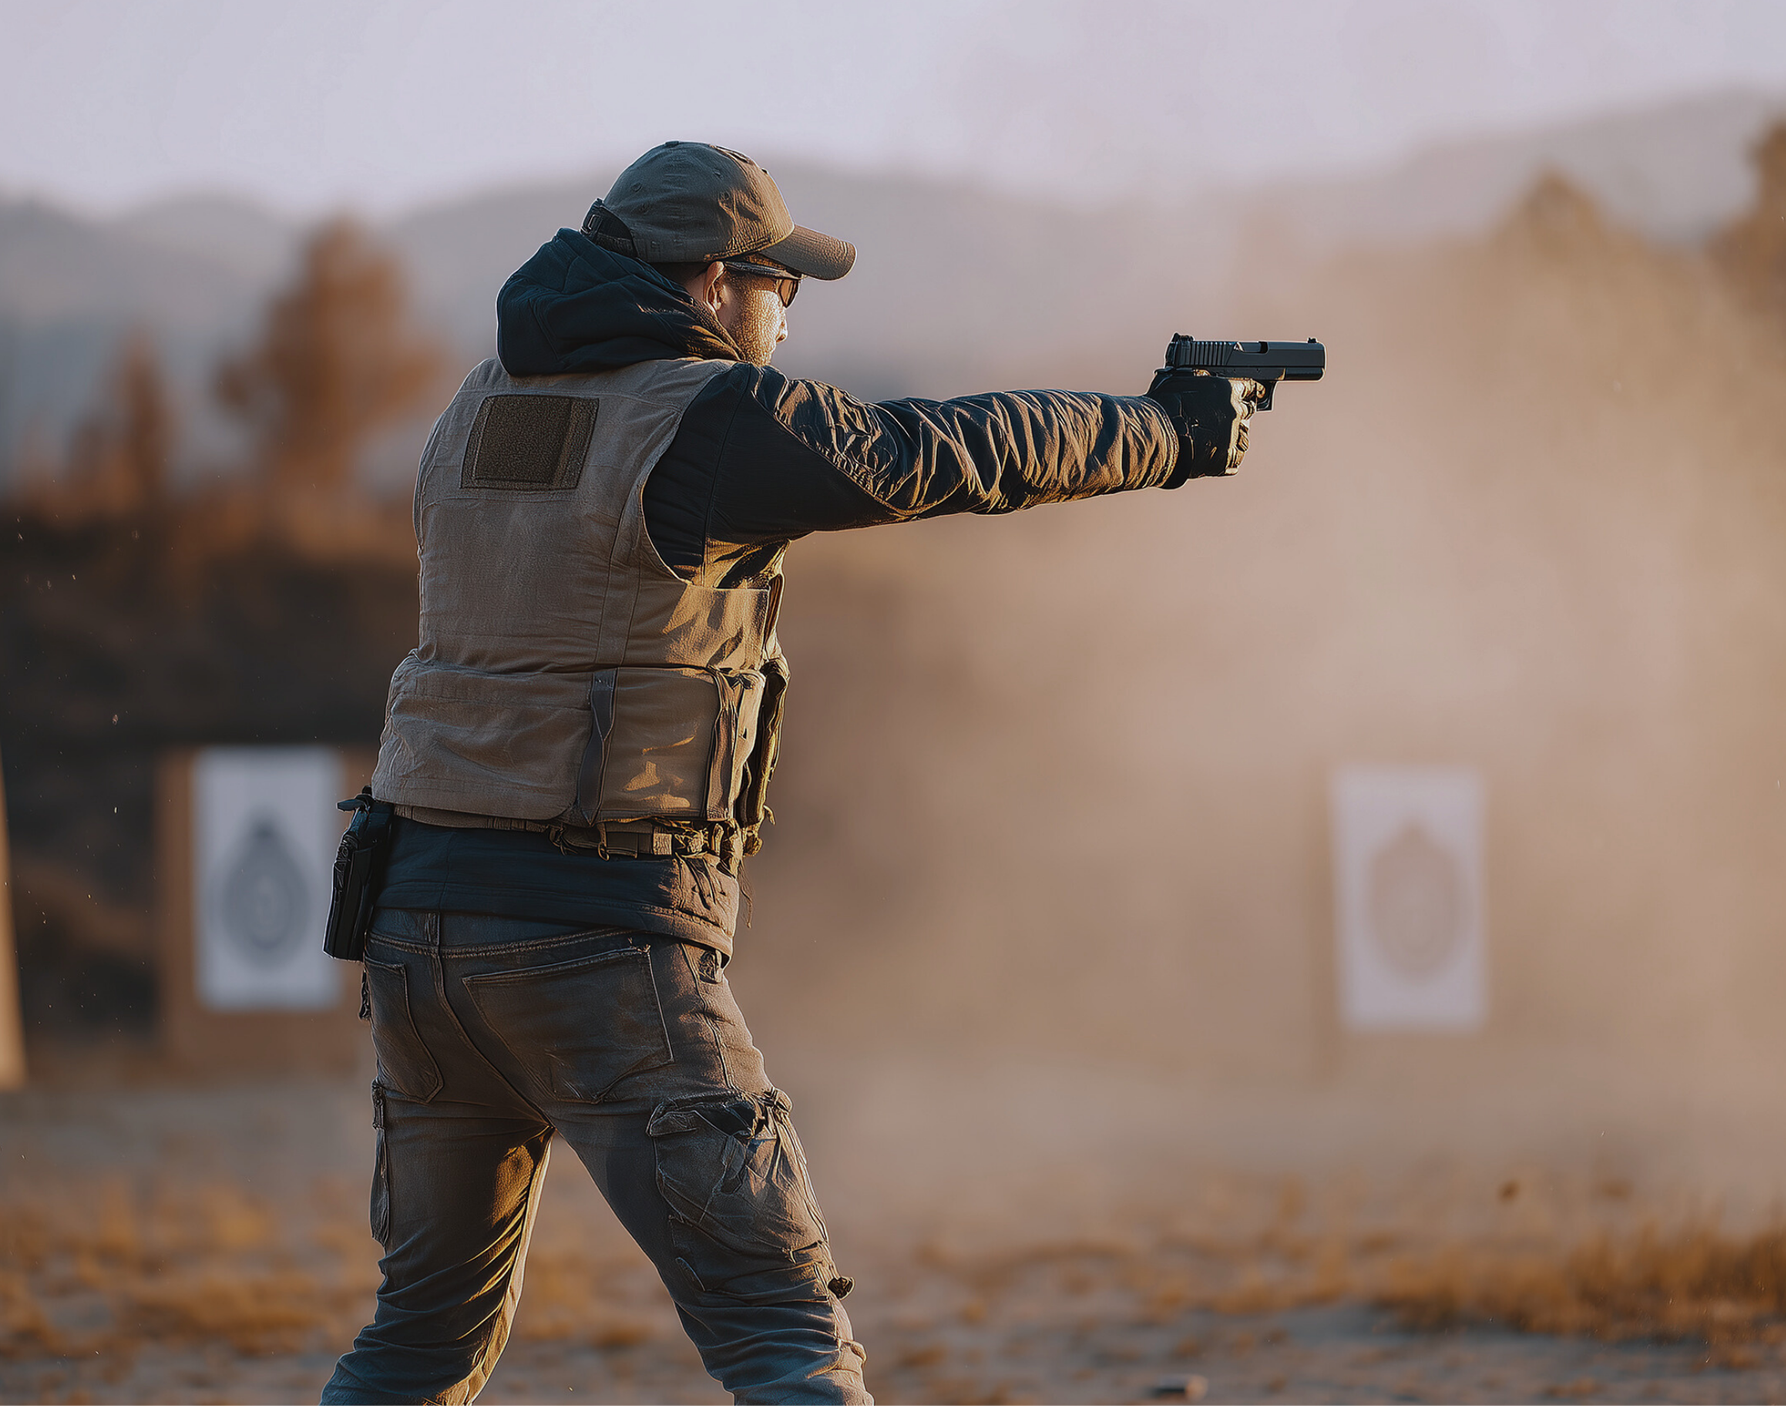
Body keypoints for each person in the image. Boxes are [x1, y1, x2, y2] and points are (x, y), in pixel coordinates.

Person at [322, 141, 1257, 1406]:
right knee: (781, 1330)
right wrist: (1163, 434)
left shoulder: (473, 411)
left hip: (416, 930)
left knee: (419, 1341)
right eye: (780, 286)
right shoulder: (699, 423)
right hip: (594, 934)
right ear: (712, 280)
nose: (783, 315)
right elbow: (945, 454)